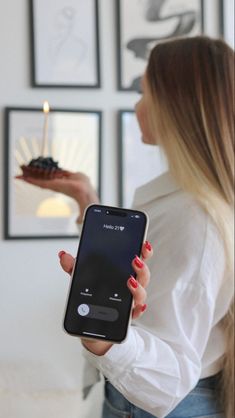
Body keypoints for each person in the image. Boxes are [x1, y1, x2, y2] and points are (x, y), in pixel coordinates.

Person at [18, 36, 234, 418]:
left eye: (144, 92)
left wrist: (102, 337)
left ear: (172, 106)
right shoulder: (182, 200)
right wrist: (86, 199)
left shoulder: (196, 218)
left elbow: (169, 380)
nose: (137, 105)